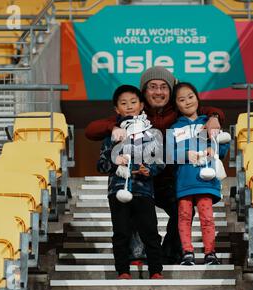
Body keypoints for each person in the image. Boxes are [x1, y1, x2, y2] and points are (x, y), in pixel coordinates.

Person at [86, 66, 226, 264]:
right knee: (133, 208)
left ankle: (168, 254)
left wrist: (214, 118)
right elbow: (91, 131)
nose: (158, 92)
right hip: (141, 180)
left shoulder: (179, 110)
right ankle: (137, 252)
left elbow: (210, 110)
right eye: (152, 87)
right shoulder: (133, 115)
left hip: (170, 181)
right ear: (143, 92)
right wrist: (114, 126)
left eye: (163, 87)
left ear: (171, 92)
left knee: (182, 210)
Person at [97, 84, 164, 279]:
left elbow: (159, 162)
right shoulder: (112, 135)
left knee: (150, 232)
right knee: (121, 233)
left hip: (144, 191)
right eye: (123, 103)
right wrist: (113, 160)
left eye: (133, 102)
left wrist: (148, 169)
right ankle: (123, 271)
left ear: (141, 105)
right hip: (118, 191)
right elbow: (100, 164)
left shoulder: (151, 134)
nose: (129, 106)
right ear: (117, 109)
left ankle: (156, 271)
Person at [168, 82, 229, 265]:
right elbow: (169, 154)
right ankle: (187, 252)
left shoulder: (209, 121)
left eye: (190, 97)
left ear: (197, 98)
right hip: (184, 182)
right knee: (184, 217)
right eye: (181, 99)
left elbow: (224, 145)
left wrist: (213, 148)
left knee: (207, 217)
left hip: (206, 181)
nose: (187, 102)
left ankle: (210, 253)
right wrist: (185, 154)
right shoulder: (174, 128)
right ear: (176, 105)